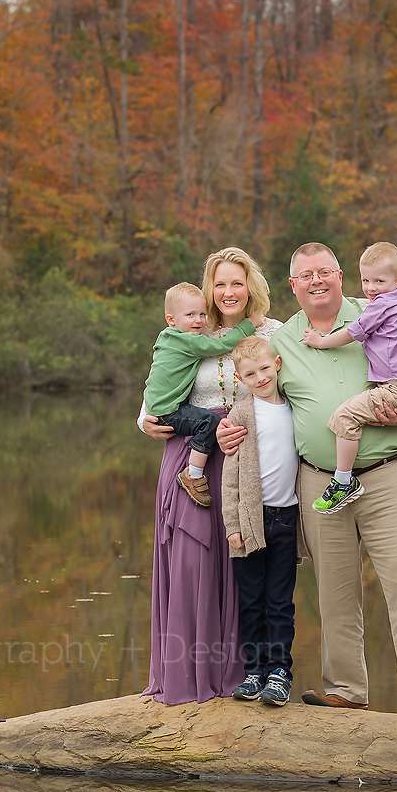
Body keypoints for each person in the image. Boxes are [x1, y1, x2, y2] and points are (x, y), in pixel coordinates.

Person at [262, 242, 397, 722]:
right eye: (305, 275)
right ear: (293, 285)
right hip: (318, 482)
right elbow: (255, 396)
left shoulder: (378, 311)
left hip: (387, 474)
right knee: (335, 593)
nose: (316, 281)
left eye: (324, 271)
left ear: (342, 275)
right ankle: (346, 689)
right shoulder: (282, 340)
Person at [138, 247, 278, 705]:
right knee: (194, 563)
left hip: (247, 464)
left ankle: (246, 673)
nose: (228, 292)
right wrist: (142, 419)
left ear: (251, 286)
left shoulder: (273, 333)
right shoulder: (189, 329)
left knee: (244, 568)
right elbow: (156, 393)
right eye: (219, 284)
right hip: (191, 464)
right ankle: (187, 675)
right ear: (208, 289)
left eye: (236, 282)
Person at [300, 241, 397, 512]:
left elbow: (353, 333)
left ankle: (343, 482)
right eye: (366, 280)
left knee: (344, 416)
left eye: (379, 280)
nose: (370, 288)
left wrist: (321, 341)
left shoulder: (376, 307)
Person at [219, 336, 306, 706]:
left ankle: (279, 672)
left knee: (281, 601)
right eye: (250, 373)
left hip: (286, 517)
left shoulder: (294, 408)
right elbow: (231, 473)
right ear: (239, 379)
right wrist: (232, 525)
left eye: (265, 369)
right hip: (250, 521)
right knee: (252, 601)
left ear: (279, 365)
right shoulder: (241, 414)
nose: (260, 377)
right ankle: (254, 671)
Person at [143, 282, 259, 508]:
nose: (198, 320)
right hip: (170, 411)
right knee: (208, 422)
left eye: (202, 314)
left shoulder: (167, 338)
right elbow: (223, 344)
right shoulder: (188, 340)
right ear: (171, 320)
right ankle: (193, 474)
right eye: (190, 315)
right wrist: (248, 326)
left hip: (162, 406)